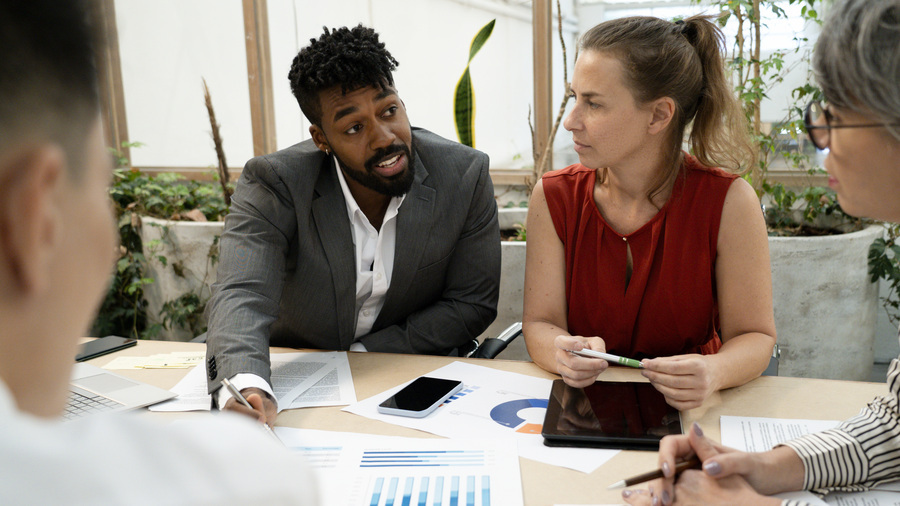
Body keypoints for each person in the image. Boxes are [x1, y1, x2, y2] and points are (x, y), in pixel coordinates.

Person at [0, 0, 317, 503]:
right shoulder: (227, 480)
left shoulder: (456, 173)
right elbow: (240, 290)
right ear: (34, 219)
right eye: (103, 190)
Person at [622, 1, 900, 505]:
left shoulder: (724, 198)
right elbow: (897, 429)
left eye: (833, 116)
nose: (820, 140)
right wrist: (766, 466)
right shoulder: (559, 195)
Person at [205, 25, 500, 424]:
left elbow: (471, 302)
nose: (383, 137)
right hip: (294, 385)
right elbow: (242, 291)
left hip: (402, 383)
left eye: (389, 111)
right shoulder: (276, 182)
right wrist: (247, 384)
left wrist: (363, 356)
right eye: (354, 128)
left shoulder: (464, 175)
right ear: (321, 138)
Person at [522, 14, 776, 410]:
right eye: (575, 97)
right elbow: (539, 324)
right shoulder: (554, 197)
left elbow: (755, 337)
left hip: (690, 410)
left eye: (593, 103)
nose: (571, 121)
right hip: (584, 411)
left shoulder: (730, 202)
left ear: (659, 115)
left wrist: (715, 371)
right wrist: (561, 350)